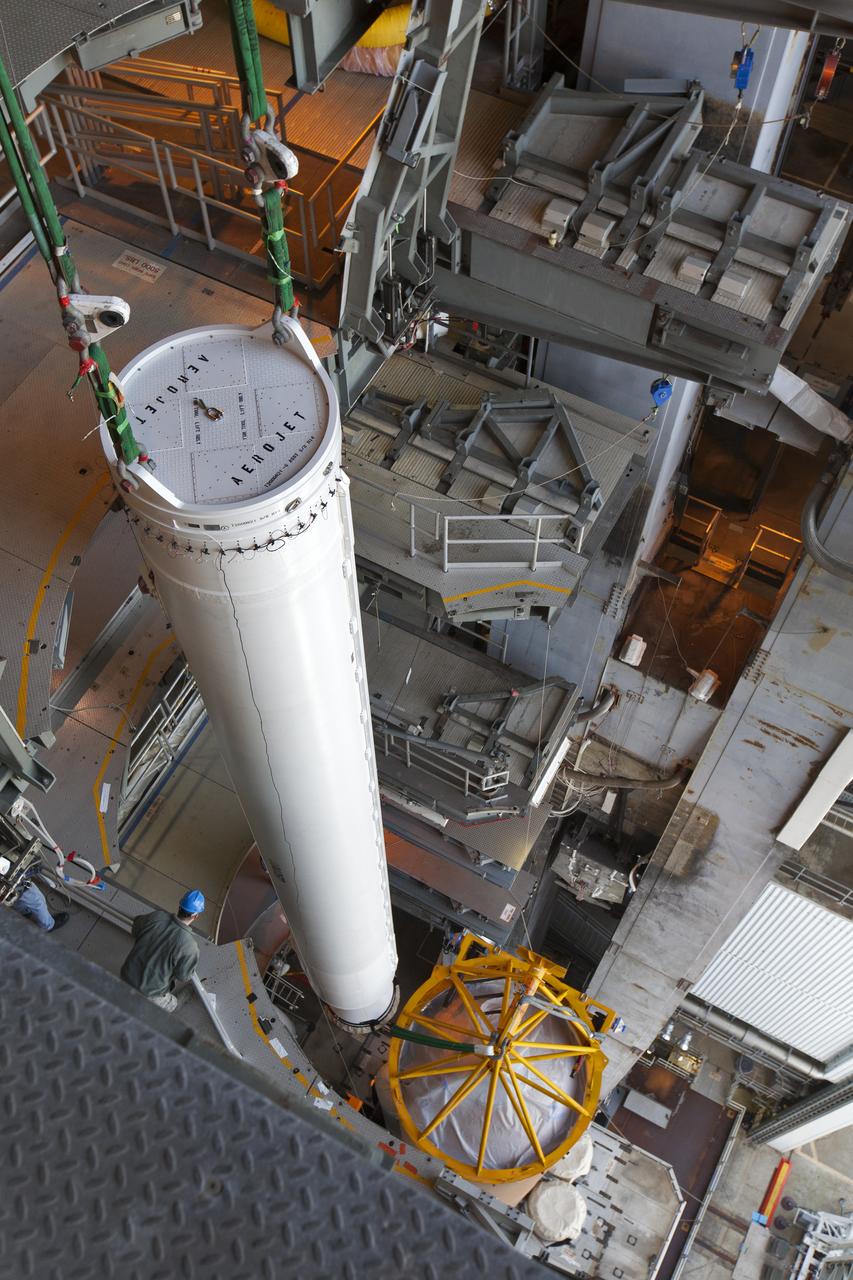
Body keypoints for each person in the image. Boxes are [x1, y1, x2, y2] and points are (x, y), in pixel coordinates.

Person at [120, 889, 204, 1012]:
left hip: (127, 976)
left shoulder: (156, 917)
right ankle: (189, 992)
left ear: (179, 906)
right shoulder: (190, 946)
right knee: (172, 1005)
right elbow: (183, 975)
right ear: (196, 916)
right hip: (150, 993)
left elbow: (136, 929)